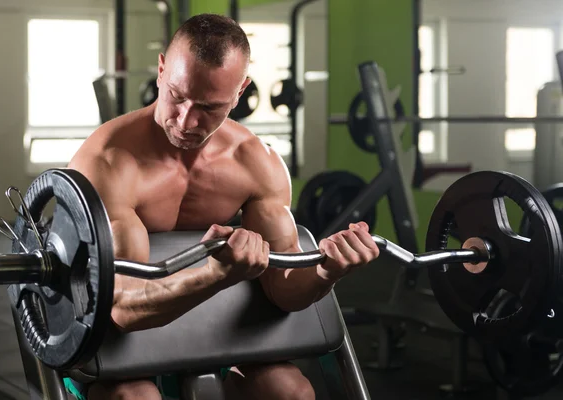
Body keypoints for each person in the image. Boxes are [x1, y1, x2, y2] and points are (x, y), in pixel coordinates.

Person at [65, 13, 380, 400]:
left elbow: (284, 291)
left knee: (290, 391)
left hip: (208, 335)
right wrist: (215, 275)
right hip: (108, 350)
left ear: (240, 90)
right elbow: (123, 310)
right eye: (177, 97)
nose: (186, 120)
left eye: (209, 108)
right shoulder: (109, 162)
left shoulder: (255, 163)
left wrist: (327, 271)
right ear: (162, 70)